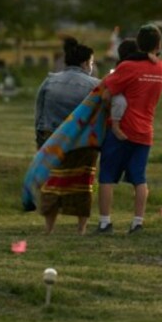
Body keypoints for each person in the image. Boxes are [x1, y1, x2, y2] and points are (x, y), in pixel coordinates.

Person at [97, 24, 162, 234]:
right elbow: (151, 58)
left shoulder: (128, 67)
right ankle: (137, 222)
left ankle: (105, 222)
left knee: (107, 176)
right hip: (145, 130)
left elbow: (107, 93)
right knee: (139, 178)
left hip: (122, 128)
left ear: (138, 43)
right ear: (158, 45)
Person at [34, 37, 99, 235]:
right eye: (92, 62)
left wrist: (39, 140)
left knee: (52, 183)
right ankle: (81, 229)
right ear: (85, 62)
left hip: (51, 139)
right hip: (81, 143)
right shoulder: (95, 85)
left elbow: (39, 112)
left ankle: (49, 228)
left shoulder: (50, 80)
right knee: (82, 184)